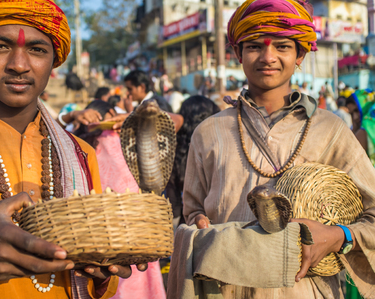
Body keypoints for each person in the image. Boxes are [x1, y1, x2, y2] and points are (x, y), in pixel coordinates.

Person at [0, 0, 147, 298]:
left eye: (37, 50)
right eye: (0, 47)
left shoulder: (81, 153)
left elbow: (97, 287)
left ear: (54, 63)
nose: (19, 64)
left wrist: (102, 271)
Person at [168, 0, 375, 297]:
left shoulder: (330, 129)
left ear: (300, 54)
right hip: (223, 289)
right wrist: (198, 225)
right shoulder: (209, 132)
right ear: (237, 53)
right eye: (254, 46)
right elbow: (193, 211)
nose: (268, 57)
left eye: (282, 46)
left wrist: (337, 235)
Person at [74, 100, 167, 299]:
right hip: (136, 225)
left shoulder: (81, 144)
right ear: (111, 112)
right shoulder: (125, 137)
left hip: (99, 230)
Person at [165, 96, 220, 228]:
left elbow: (174, 203)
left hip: (189, 226)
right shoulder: (220, 146)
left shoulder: (175, 152)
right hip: (221, 224)